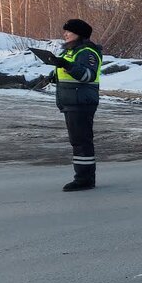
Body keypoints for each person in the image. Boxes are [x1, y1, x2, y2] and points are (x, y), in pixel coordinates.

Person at [44, 18, 103, 191]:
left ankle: (84, 179)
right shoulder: (71, 52)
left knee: (82, 142)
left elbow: (87, 75)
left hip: (82, 102)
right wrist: (53, 75)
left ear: (79, 34)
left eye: (68, 31)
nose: (65, 34)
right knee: (77, 141)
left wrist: (65, 65)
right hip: (71, 102)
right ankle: (83, 177)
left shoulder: (88, 52)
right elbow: (67, 71)